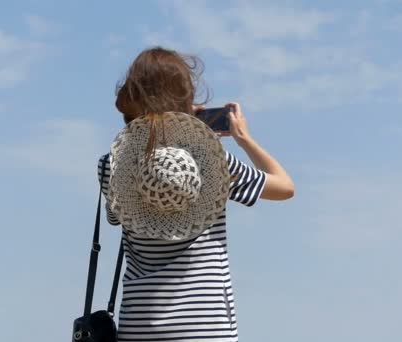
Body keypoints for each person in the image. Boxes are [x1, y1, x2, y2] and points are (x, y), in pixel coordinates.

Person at [97, 47, 294, 342]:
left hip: (139, 327)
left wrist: (181, 128)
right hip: (205, 328)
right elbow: (285, 187)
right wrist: (243, 139)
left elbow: (116, 218)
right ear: (185, 99)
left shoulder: (113, 164)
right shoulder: (212, 161)